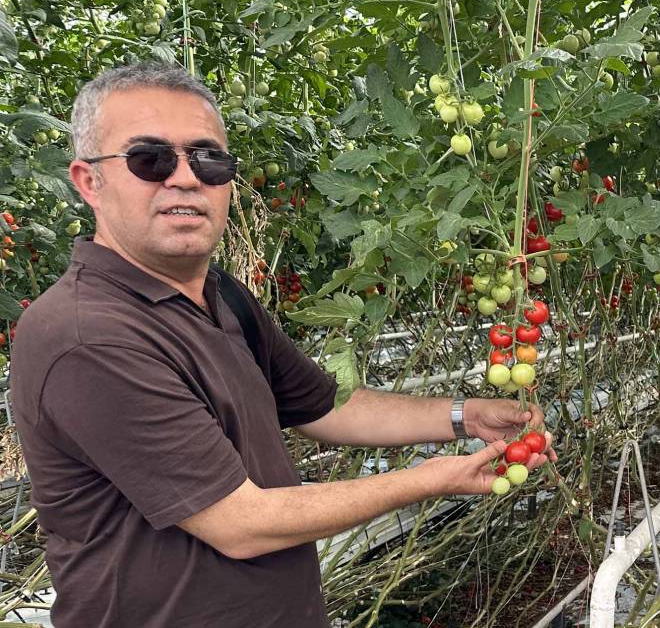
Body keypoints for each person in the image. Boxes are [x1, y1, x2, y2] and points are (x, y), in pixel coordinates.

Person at [8, 62, 556, 627]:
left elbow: (328, 408)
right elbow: (241, 524)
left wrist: (465, 416)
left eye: (208, 158)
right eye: (150, 158)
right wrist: (432, 478)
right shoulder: (87, 337)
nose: (185, 178)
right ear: (88, 180)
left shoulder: (224, 298)